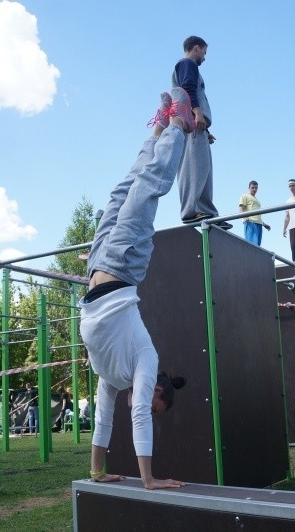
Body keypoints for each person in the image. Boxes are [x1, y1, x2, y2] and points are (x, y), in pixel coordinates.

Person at [80, 87, 192, 489]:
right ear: (158, 390)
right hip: (124, 265)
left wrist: (97, 472)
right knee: (147, 187)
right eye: (158, 404)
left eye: (153, 407)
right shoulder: (145, 360)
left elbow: (103, 417)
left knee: (121, 191)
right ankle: (179, 124)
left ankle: (157, 128)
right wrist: (149, 479)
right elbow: (139, 414)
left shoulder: (113, 378)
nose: (148, 406)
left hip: (97, 267)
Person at [172, 36, 231, 230]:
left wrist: (205, 128)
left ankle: (207, 212)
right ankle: (191, 211)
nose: (204, 57)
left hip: (199, 126)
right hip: (190, 123)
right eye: (204, 52)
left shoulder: (191, 66)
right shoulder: (187, 64)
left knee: (204, 170)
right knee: (193, 168)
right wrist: (197, 113)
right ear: (196, 48)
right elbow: (188, 88)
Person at [238, 181, 270, 245]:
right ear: (249, 188)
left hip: (259, 224)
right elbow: (241, 209)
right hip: (251, 222)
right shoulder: (245, 196)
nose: (254, 189)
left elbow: (257, 215)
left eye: (256, 188)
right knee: (252, 245)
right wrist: (244, 218)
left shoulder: (257, 201)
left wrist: (264, 224)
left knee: (258, 246)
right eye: (252, 188)